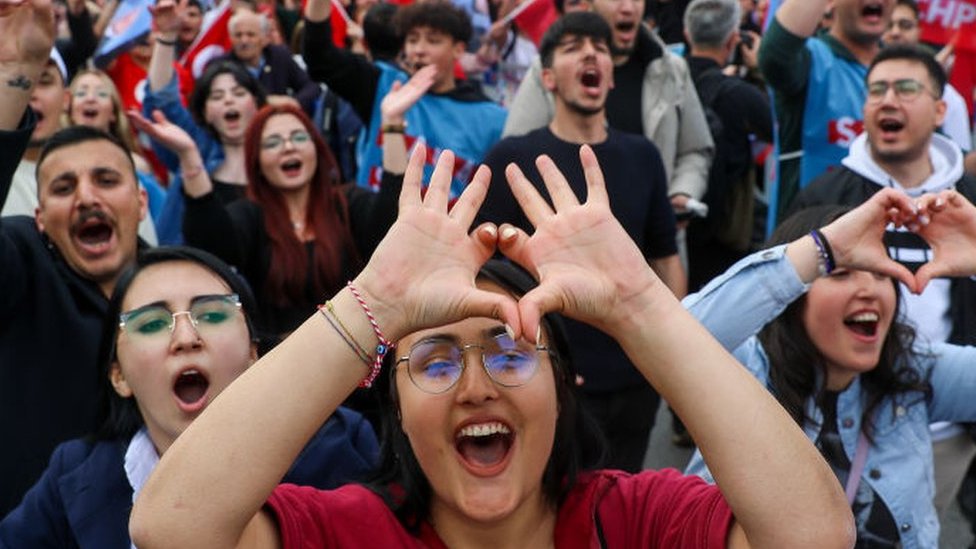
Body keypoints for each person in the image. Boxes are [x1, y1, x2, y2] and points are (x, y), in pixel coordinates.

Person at [127, 139, 856, 547]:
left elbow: (814, 535)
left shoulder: (638, 520)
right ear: (398, 409)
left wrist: (642, 309)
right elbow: (171, 527)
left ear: (565, 386)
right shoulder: (347, 530)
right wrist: (370, 305)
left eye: (511, 349)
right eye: (435, 360)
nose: (477, 385)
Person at [0, 246, 379, 545]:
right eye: (151, 324)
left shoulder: (341, 447)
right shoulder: (72, 472)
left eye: (212, 315)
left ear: (253, 354)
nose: (185, 338)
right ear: (118, 376)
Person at [685, 186, 976, 547]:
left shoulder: (911, 370)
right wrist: (823, 250)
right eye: (841, 273)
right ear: (794, 299)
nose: (869, 288)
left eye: (882, 273)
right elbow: (670, 337)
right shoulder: (745, 371)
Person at [479, 12, 681, 472]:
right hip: (549, 376)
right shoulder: (512, 158)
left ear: (610, 75)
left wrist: (673, 351)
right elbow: (480, 270)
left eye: (601, 47)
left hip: (636, 377)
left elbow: (665, 257)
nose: (591, 53)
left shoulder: (643, 155)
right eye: (573, 46)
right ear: (547, 77)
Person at [789, 44, 976, 525]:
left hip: (949, 423)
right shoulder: (825, 196)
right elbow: (781, 299)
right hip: (842, 421)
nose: (888, 100)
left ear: (940, 109)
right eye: (877, 90)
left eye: (906, 88)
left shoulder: (970, 200)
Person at [0, 0, 152, 513]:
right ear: (41, 217)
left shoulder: (183, 286)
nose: (87, 197)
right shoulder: (22, 263)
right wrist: (18, 71)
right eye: (64, 186)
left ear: (141, 202)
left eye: (107, 180)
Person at [130, 100, 400, 341]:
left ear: (317, 149)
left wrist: (392, 126)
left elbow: (390, 219)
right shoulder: (251, 216)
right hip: (282, 365)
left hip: (358, 363)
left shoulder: (347, 204)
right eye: (272, 143)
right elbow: (211, 241)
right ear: (257, 161)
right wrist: (189, 156)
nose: (288, 147)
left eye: (298, 137)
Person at [504, 0, 714, 220]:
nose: (628, 8)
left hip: (652, 240)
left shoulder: (672, 69)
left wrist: (681, 193)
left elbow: (696, 149)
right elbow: (517, 160)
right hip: (572, 239)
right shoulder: (550, 70)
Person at [302, 0, 507, 198]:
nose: (419, 50)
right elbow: (320, 58)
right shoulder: (383, 85)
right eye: (412, 40)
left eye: (433, 40)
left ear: (458, 49)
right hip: (378, 226)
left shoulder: (492, 119)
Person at [758, 0, 895, 225]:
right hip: (811, 241)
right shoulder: (813, 59)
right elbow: (775, 54)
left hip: (890, 241)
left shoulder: (907, 71)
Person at [143, 0, 269, 244]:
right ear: (206, 111)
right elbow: (160, 100)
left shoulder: (274, 154)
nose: (229, 101)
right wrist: (168, 36)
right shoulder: (196, 146)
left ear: (255, 103)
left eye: (239, 93)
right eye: (218, 96)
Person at [683, 0, 772, 291]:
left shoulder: (665, 82)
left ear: (687, 33)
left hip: (674, 226)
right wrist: (759, 69)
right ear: (734, 39)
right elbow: (779, 129)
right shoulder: (738, 94)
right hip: (724, 234)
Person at [65, 68, 168, 224]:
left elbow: (163, 217)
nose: (91, 99)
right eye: (81, 94)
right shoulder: (55, 163)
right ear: (69, 110)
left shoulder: (136, 166)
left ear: (113, 112)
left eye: (102, 94)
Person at [880, 0, 972, 152]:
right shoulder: (856, 82)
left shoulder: (948, 97)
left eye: (905, 25)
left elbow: (958, 162)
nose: (895, 32)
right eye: (888, 25)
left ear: (919, 31)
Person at [218, 8, 321, 116]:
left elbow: (311, 86)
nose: (244, 41)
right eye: (238, 35)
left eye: (250, 35)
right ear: (230, 38)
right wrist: (265, 101)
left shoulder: (279, 55)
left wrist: (293, 102)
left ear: (264, 39)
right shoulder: (222, 66)